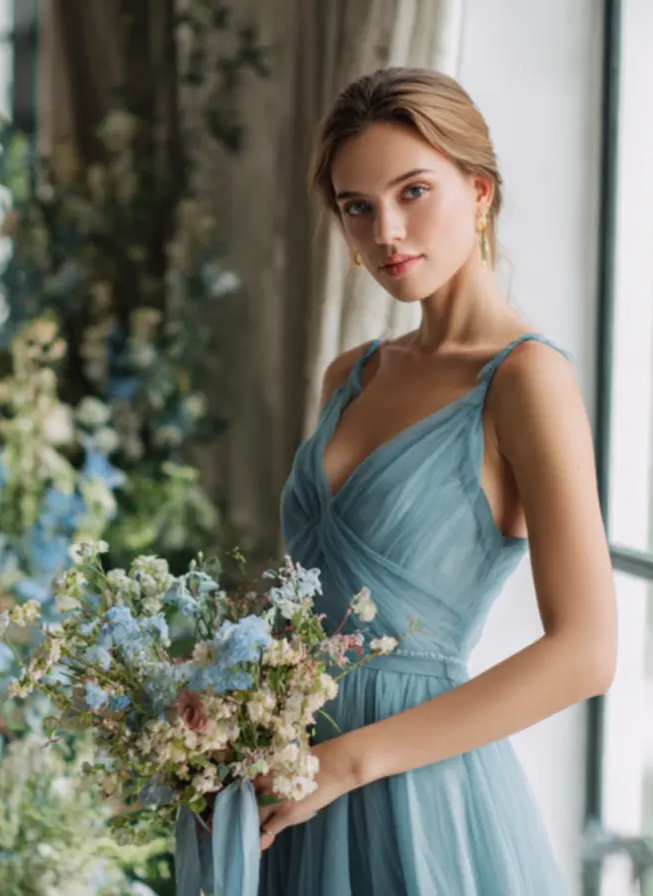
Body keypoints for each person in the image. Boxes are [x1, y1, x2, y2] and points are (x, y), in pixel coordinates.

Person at [254, 67, 617, 894]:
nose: (387, 230)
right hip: (293, 782)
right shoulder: (352, 373)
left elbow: (587, 654)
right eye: (357, 206)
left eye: (414, 191)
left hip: (411, 792)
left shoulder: (526, 382)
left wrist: (344, 764)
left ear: (479, 191)